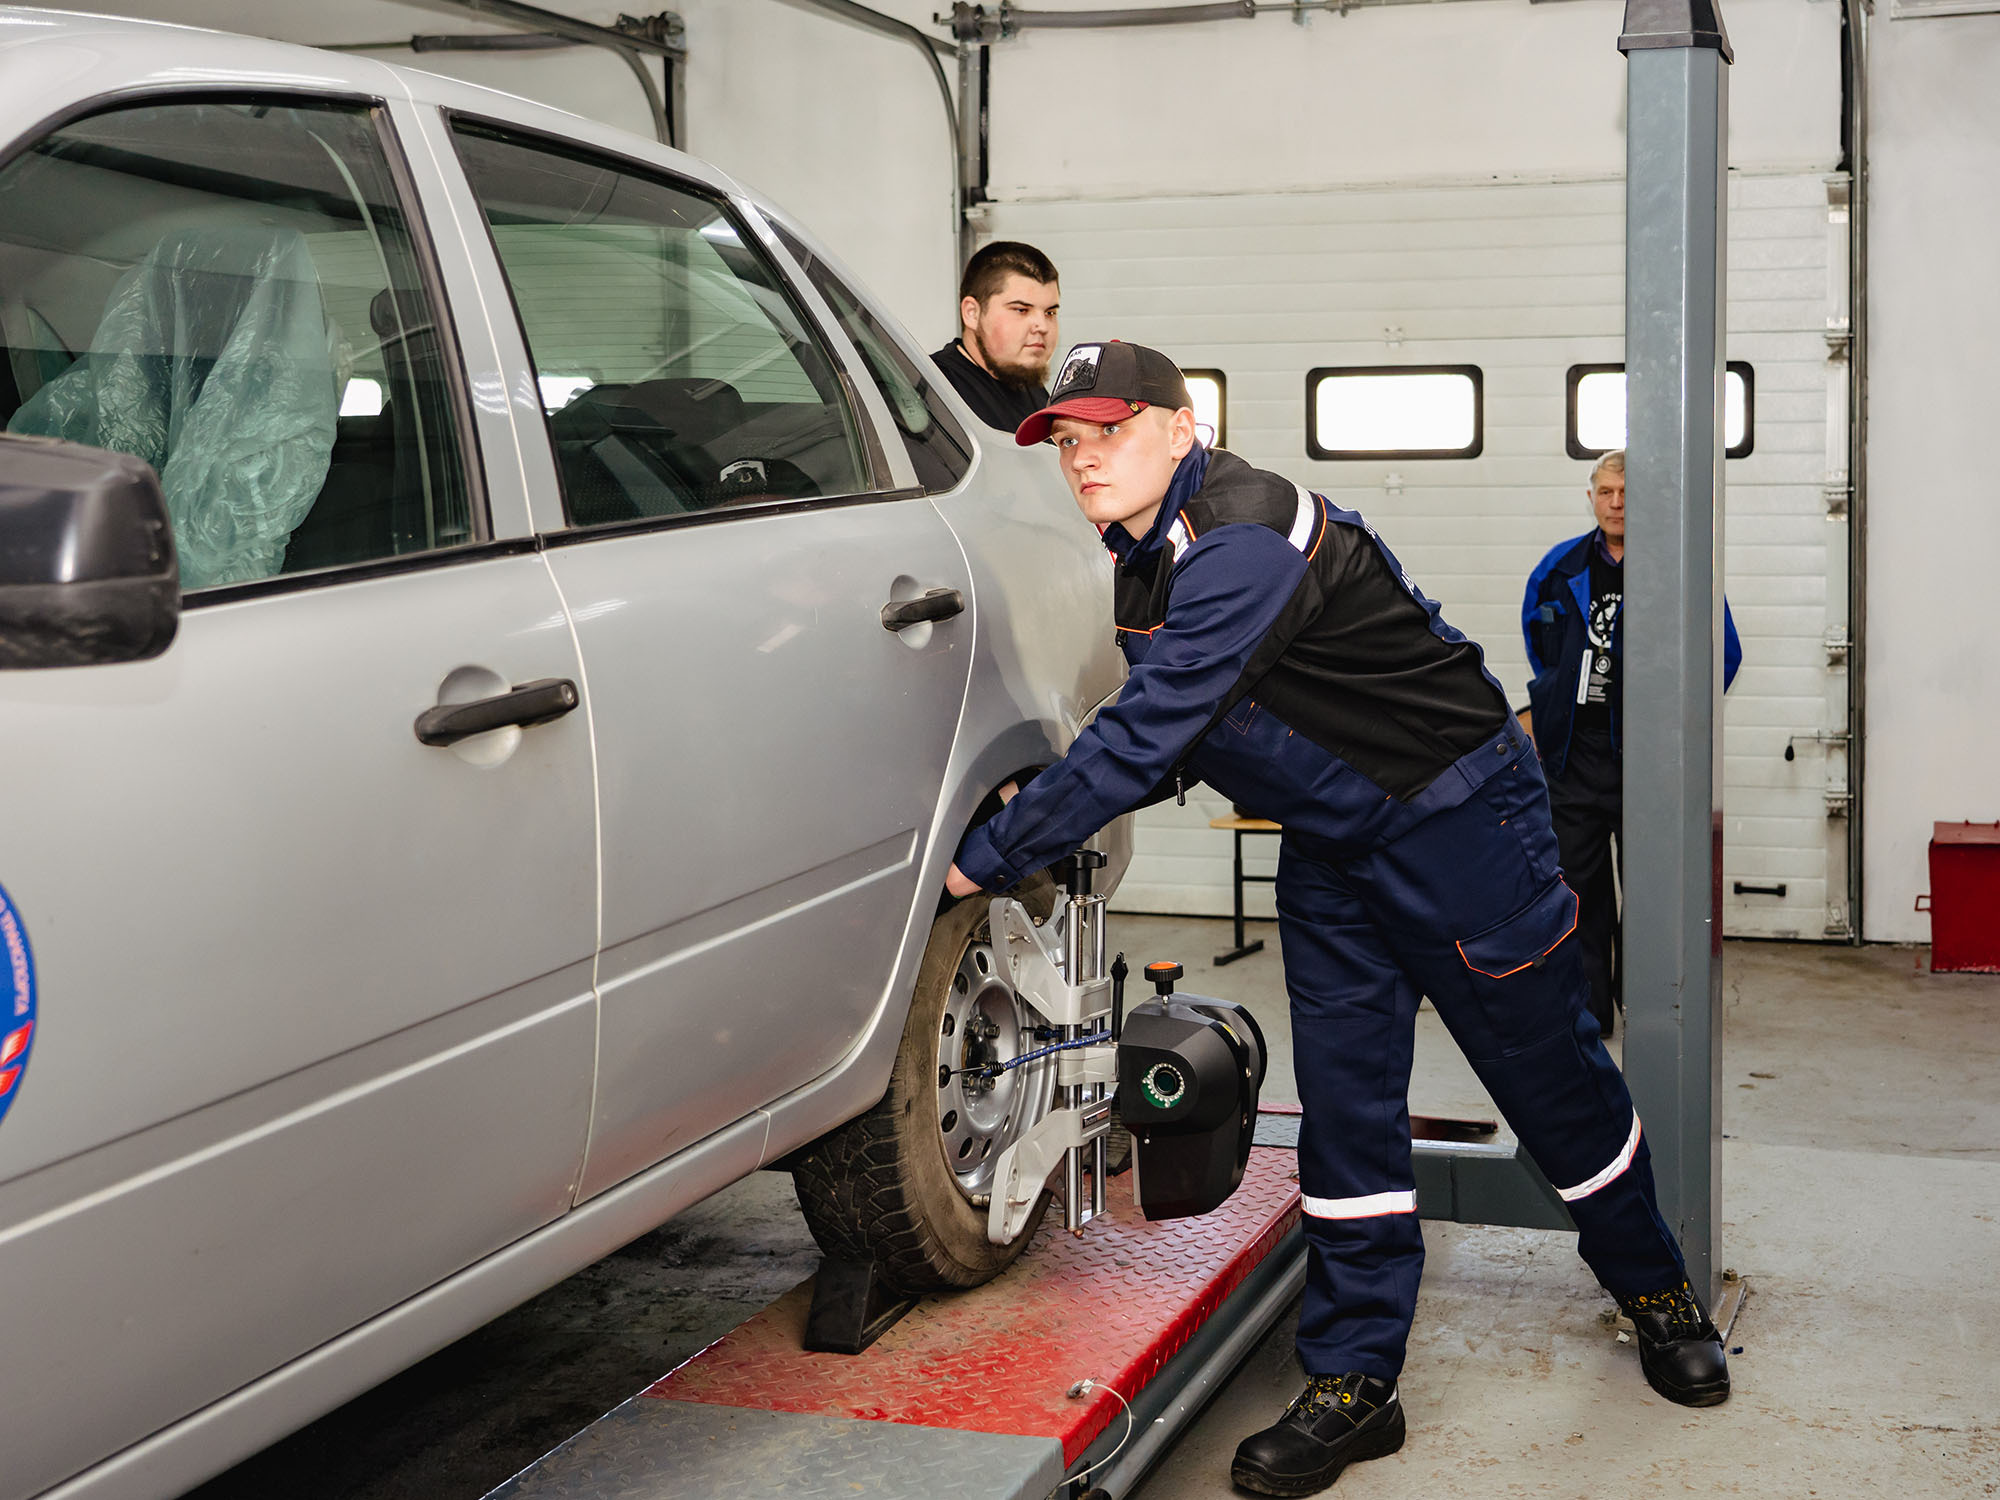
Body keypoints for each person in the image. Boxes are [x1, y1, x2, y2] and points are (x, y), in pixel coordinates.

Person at [945, 343, 1730, 1497]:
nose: (1081, 459)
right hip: (1330, 845)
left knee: (1547, 1077)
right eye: (1064, 441)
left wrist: (983, 860)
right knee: (1346, 1111)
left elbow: (1153, 726)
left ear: (1178, 426)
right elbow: (1206, 724)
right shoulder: (1143, 559)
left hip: (1457, 827)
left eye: (1104, 432)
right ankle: (1356, 1379)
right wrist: (1057, 799)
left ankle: (1654, 1292)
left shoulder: (1242, 539)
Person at [1521, 450, 1741, 1038]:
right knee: (1579, 891)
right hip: (1575, 759)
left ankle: (1650, 1010)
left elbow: (1725, 653)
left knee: (1651, 891)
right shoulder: (1559, 567)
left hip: (1649, 761)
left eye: (1628, 493)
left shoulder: (1676, 566)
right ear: (1591, 496)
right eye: (1607, 491)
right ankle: (1591, 1013)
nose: (1617, 503)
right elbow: (1540, 647)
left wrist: (1672, 724)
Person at [931, 240, 1060, 433]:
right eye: (1021, 310)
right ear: (972, 313)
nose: (1042, 326)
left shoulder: (1033, 390)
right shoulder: (935, 391)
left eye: (1050, 313)